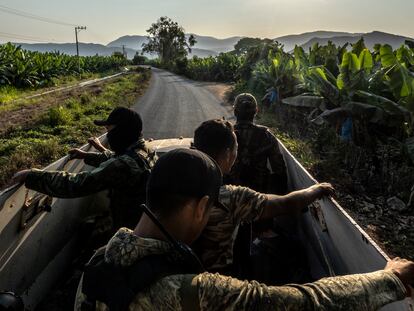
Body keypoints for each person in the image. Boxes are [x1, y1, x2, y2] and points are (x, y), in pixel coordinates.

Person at [74, 148, 413, 311]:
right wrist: (391, 278)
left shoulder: (98, 263)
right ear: (202, 206)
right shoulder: (196, 291)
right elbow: (306, 302)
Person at [193, 119, 331, 279]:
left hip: (189, 271)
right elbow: (286, 204)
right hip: (221, 279)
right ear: (227, 154)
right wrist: (316, 189)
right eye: (236, 148)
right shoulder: (232, 197)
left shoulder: (182, 181)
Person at [12, 107, 157, 230]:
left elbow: (77, 184)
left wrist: (32, 176)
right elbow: (118, 158)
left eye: (109, 130)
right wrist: (86, 156)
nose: (108, 135)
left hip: (131, 228)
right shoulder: (144, 150)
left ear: (121, 131)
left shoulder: (123, 166)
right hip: (144, 221)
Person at [230, 92, 287, 194]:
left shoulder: (226, 134)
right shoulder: (266, 135)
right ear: (256, 111)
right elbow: (279, 169)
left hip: (231, 195)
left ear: (235, 112)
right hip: (260, 195)